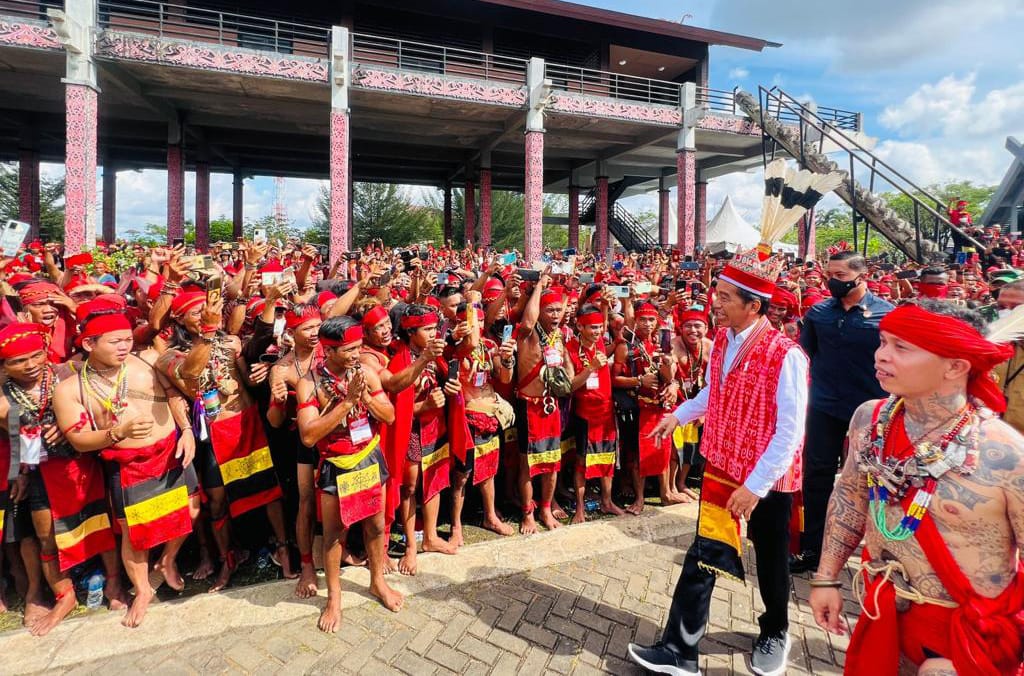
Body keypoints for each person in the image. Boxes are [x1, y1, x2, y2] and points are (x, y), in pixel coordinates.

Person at [628, 157, 833, 676]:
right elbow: (713, 396)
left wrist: (758, 485)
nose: (713, 304)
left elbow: (791, 431)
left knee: (769, 561)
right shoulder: (722, 338)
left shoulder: (787, 356)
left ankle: (776, 632)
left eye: (723, 297)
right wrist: (678, 415)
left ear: (754, 305)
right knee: (705, 555)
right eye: (716, 294)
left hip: (767, 478)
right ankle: (680, 650)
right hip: (722, 465)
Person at [809, 300, 1024, 675]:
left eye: (901, 347)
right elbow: (851, 495)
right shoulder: (871, 418)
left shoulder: (1004, 455)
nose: (881, 356)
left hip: (966, 643)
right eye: (883, 342)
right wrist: (827, 576)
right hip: (883, 616)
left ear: (955, 366)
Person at [54, 309, 199, 628]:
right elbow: (77, 439)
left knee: (191, 510)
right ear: (90, 344)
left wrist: (186, 429)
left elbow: (175, 391)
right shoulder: (71, 389)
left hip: (171, 451)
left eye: (127, 340)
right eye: (115, 341)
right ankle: (144, 590)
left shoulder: (147, 359)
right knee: (135, 535)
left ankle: (168, 560)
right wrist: (117, 433)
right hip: (128, 464)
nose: (124, 347)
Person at [156, 291, 293, 592]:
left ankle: (282, 548)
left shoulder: (230, 342)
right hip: (215, 434)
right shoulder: (168, 356)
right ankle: (226, 558)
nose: (205, 317)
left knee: (268, 489)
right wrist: (206, 334)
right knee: (217, 502)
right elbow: (190, 374)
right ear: (179, 319)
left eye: (207, 312)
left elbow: (247, 381)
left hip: (247, 424)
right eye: (196, 313)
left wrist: (263, 371)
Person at [295, 315, 403, 632]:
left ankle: (377, 582)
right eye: (348, 349)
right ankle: (334, 599)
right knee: (333, 536)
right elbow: (309, 435)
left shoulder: (366, 374)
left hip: (369, 458)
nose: (356, 354)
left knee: (376, 525)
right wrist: (346, 404)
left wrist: (365, 397)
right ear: (328, 350)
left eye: (358, 347)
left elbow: (391, 416)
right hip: (336, 464)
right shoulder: (310, 383)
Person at [791, 250, 893, 573]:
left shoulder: (886, 316)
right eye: (829, 275)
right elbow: (802, 357)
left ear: (863, 276)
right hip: (824, 407)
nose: (832, 282)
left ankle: (880, 551)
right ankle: (813, 548)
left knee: (875, 481)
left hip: (871, 411)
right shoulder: (819, 313)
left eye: (841, 277)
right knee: (817, 477)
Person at [267, 304, 324, 598]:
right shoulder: (281, 368)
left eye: (317, 326)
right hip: (304, 441)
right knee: (306, 502)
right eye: (307, 328)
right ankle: (306, 565)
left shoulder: (331, 351)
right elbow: (274, 421)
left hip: (337, 433)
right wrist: (278, 402)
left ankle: (348, 551)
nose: (315, 333)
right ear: (291, 332)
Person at [514, 275, 572, 534]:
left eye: (559, 309)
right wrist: (539, 286)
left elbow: (567, 367)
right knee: (528, 465)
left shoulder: (557, 336)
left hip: (552, 407)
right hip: (530, 407)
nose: (556, 314)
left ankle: (546, 509)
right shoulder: (527, 335)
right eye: (550, 310)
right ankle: (528, 513)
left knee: (552, 463)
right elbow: (528, 320)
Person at [613, 300, 682, 512]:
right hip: (636, 407)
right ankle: (640, 498)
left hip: (660, 406)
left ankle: (665, 493)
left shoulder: (663, 345)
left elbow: (669, 377)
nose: (647, 324)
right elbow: (614, 378)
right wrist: (638, 381)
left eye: (651, 319)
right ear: (635, 322)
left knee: (662, 450)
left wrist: (670, 371)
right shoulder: (625, 345)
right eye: (642, 319)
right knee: (635, 455)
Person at [566, 303, 623, 522]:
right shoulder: (569, 348)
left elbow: (606, 320)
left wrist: (606, 305)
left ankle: (607, 501)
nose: (598, 332)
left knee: (607, 458)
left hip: (606, 412)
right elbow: (570, 385)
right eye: (592, 328)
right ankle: (580, 508)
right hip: (584, 415)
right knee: (582, 462)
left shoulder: (599, 342)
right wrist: (590, 368)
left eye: (600, 327)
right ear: (579, 326)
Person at [669, 308, 712, 499]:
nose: (693, 330)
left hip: (698, 400)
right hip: (676, 399)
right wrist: (672, 382)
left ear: (706, 327)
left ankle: (681, 482)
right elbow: (668, 372)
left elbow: (713, 381)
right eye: (688, 326)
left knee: (690, 446)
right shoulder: (673, 345)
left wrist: (704, 411)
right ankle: (670, 487)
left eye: (697, 326)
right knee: (674, 447)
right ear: (680, 328)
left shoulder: (710, 347)